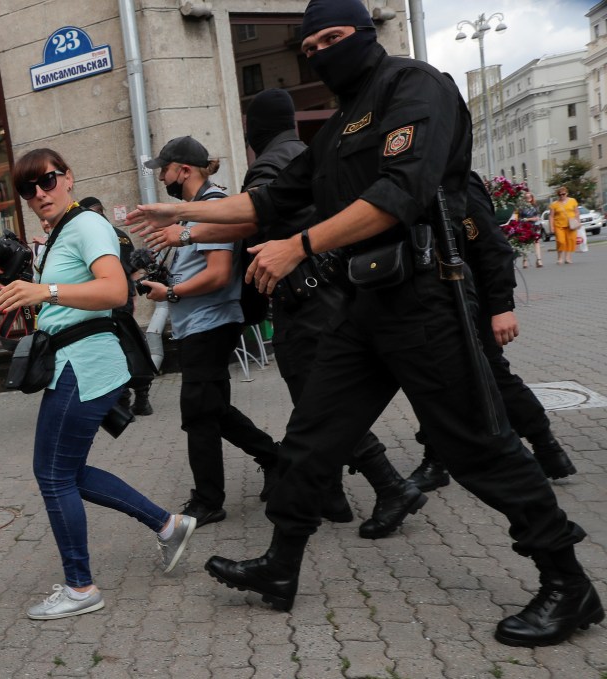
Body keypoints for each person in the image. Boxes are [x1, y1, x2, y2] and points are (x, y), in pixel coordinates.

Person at [127, 0, 601, 647]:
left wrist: (301, 246)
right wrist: (179, 217)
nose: (321, 51)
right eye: (310, 44)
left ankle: (567, 582)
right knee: (313, 434)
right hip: (363, 304)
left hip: (426, 298)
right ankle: (280, 565)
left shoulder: (416, 87)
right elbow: (269, 200)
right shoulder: (341, 125)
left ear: (365, 34)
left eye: (333, 37)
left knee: (475, 445)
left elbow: (400, 193)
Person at [139, 94, 426, 539]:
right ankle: (328, 495)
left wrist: (184, 226)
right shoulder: (302, 153)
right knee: (311, 406)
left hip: (304, 300)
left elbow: (253, 220)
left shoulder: (274, 164)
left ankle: (387, 485)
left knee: (318, 407)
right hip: (319, 296)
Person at [0, 148, 195, 621]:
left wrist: (45, 289)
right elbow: (57, 305)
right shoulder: (60, 235)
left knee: (53, 474)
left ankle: (81, 587)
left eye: (48, 181)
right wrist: (9, 288)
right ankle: (167, 524)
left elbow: (115, 291)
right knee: (67, 472)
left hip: (85, 364)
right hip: (72, 362)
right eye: (28, 189)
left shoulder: (87, 226)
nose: (39, 194)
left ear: (69, 177)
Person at [137, 136, 279, 528]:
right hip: (200, 324)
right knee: (212, 407)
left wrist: (171, 293)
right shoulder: (196, 211)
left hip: (211, 323)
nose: (162, 177)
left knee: (198, 413)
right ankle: (275, 459)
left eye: (164, 169)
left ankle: (208, 499)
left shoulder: (212, 208)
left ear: (184, 170)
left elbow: (217, 275)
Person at [408, 173, 577, 490]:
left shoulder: (454, 180)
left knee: (493, 376)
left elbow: (492, 247)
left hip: (471, 301)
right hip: (435, 299)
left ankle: (546, 445)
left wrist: (501, 306)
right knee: (436, 380)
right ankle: (436, 458)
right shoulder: (416, 175)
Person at [78, 196, 153, 416]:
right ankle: (142, 398)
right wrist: (132, 297)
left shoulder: (91, 236)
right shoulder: (119, 235)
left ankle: (122, 401)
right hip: (124, 300)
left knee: (114, 349)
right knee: (134, 344)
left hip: (105, 301)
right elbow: (134, 269)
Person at [549, 186, 579, 265]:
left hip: (571, 225)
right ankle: (559, 258)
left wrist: (578, 222)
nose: (562, 196)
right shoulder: (554, 204)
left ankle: (568, 258)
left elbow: (576, 212)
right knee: (561, 241)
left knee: (570, 241)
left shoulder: (573, 201)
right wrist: (551, 226)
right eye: (560, 194)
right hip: (559, 225)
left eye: (563, 194)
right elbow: (551, 216)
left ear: (567, 193)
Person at [518, 191, 543, 268]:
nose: (528, 198)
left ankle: (539, 260)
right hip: (525, 226)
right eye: (527, 197)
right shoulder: (521, 207)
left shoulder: (535, 206)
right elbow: (519, 218)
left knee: (537, 242)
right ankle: (525, 260)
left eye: (530, 197)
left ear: (532, 197)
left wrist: (528, 219)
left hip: (535, 226)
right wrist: (528, 220)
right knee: (525, 243)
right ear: (524, 198)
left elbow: (538, 217)